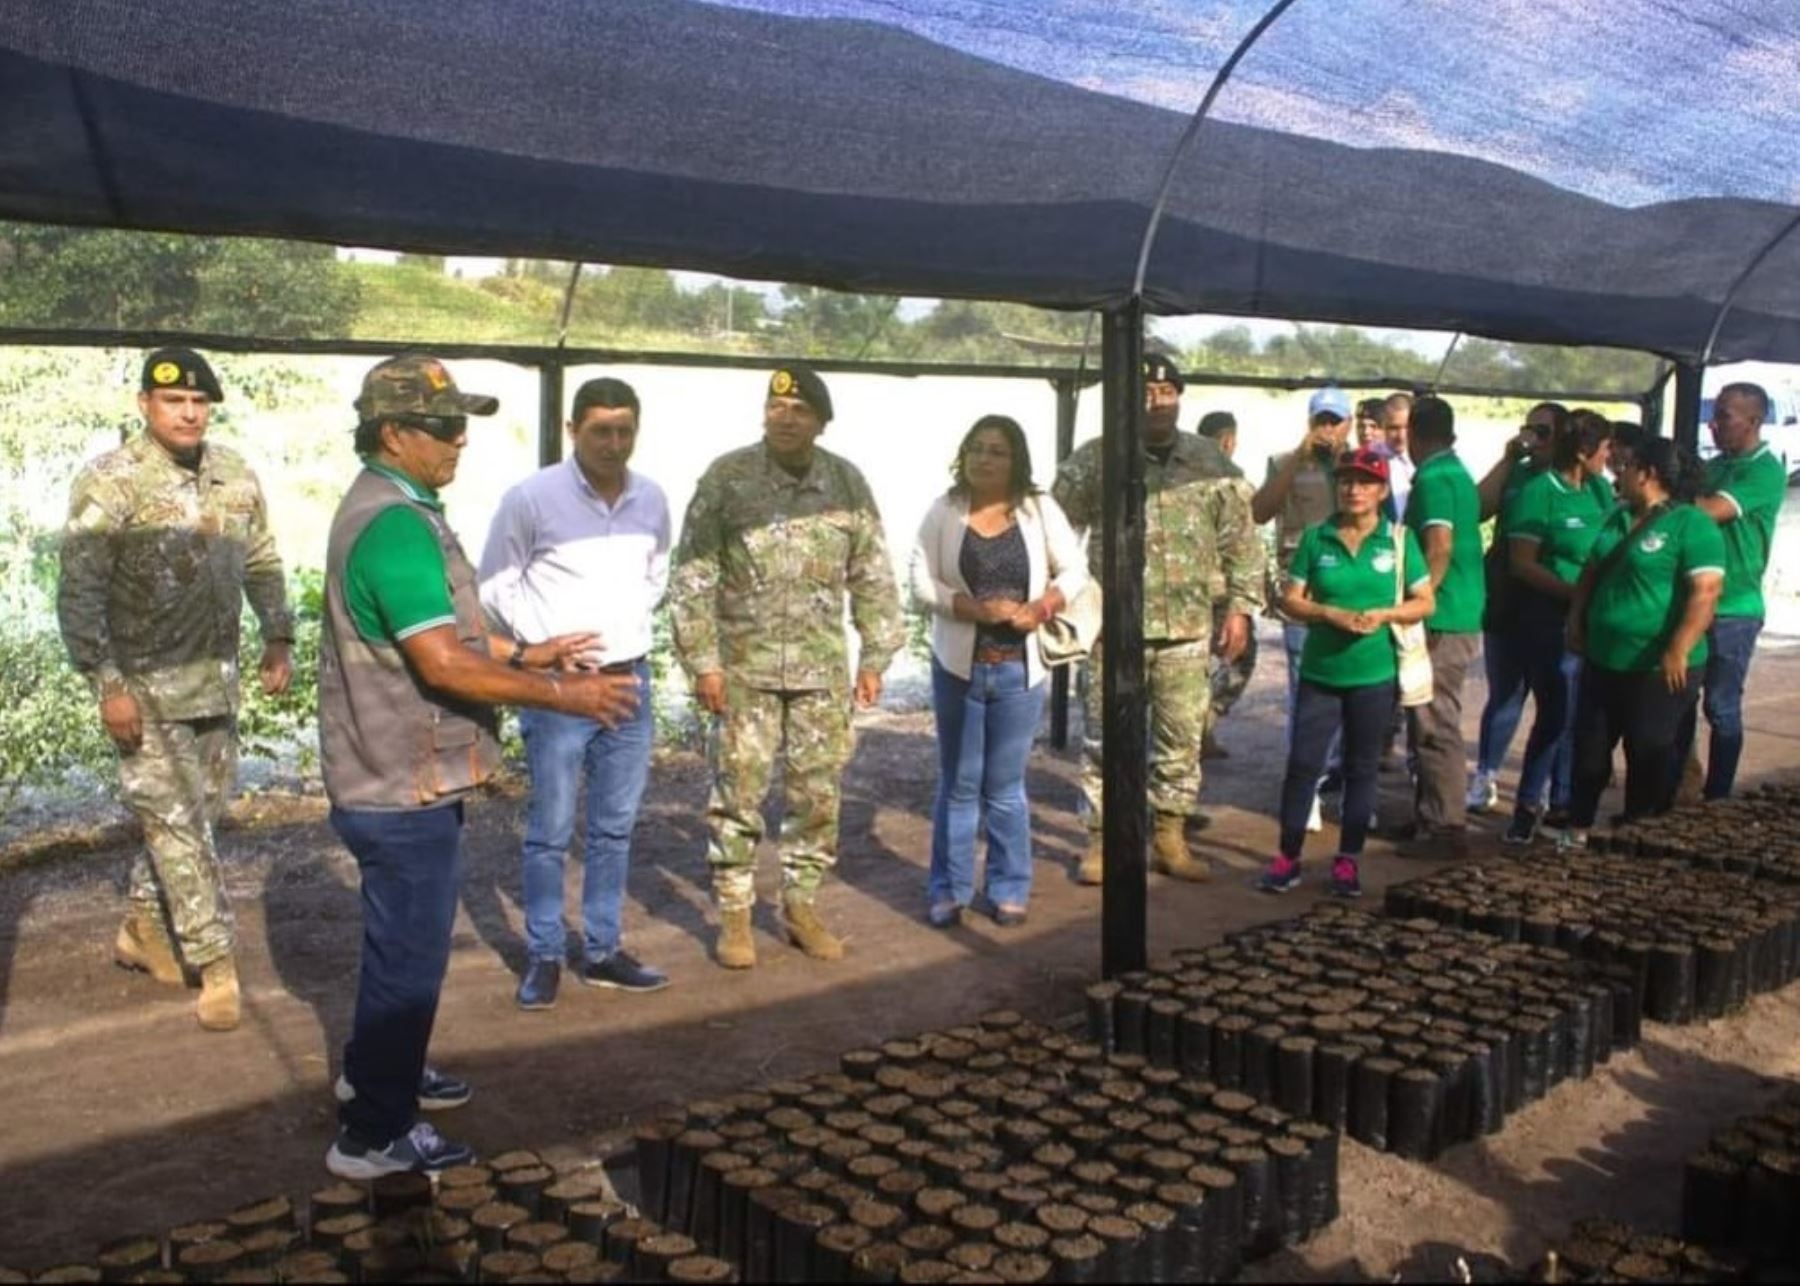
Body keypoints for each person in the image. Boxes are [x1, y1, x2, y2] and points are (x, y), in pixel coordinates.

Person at [318, 354, 639, 1179]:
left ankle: (377, 1074)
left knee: (400, 947)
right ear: (392, 433)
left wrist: (527, 650)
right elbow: (444, 665)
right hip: (397, 783)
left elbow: (456, 633)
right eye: (440, 426)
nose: (458, 439)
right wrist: (561, 693)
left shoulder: (405, 510)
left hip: (400, 776)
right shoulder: (391, 523)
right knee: (410, 957)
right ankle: (375, 1137)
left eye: (461, 423)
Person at [57, 348, 293, 1033]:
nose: (188, 412)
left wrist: (277, 635)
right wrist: (108, 686)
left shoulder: (234, 473)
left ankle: (140, 926)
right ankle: (217, 965)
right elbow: (80, 594)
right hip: (146, 693)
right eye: (173, 401)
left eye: (199, 401)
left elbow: (262, 557)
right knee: (180, 825)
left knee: (194, 820)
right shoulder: (113, 481)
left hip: (215, 684)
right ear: (145, 406)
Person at [669, 364, 904, 969]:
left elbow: (872, 574)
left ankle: (801, 906)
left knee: (817, 795)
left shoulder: (846, 483)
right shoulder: (729, 478)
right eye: (776, 408)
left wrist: (876, 654)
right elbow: (694, 575)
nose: (785, 417)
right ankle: (736, 915)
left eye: (799, 409)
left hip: (820, 678)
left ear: (821, 422)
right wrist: (703, 662)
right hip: (743, 673)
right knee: (737, 793)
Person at [478, 377, 671, 1011]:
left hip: (629, 680)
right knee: (551, 828)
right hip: (560, 687)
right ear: (572, 431)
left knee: (614, 827)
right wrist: (540, 646)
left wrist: (623, 638)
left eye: (625, 430)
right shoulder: (533, 498)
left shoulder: (651, 499)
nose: (614, 443)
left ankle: (604, 950)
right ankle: (543, 954)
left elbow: (654, 577)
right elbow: (494, 587)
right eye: (600, 431)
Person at [1052, 355, 1262, 885]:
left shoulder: (1210, 462)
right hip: (1112, 630)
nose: (1157, 400)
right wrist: (1069, 602)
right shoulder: (1098, 459)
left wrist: (1240, 608)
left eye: (1167, 391)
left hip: (1187, 630)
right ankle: (1102, 840)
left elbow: (1241, 541)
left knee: (1181, 739)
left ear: (1179, 398)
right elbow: (1055, 534)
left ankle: (1169, 835)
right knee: (1104, 739)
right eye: (1146, 391)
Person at [909, 415, 1086, 927]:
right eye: (977, 449)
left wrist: (1042, 608)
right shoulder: (944, 511)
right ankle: (949, 889)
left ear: (1016, 462)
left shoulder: (1038, 508)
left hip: (1017, 671)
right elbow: (921, 580)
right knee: (959, 784)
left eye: (997, 451)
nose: (985, 459)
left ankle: (1009, 888)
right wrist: (971, 608)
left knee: (1006, 787)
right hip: (959, 669)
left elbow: (1074, 570)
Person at [1256, 447, 1434, 897]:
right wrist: (1327, 613)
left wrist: (1386, 614)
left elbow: (1424, 601)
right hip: (1321, 674)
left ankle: (1348, 860)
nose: (1354, 489)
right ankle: (1288, 856)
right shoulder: (1318, 537)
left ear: (1381, 490)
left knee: (1361, 769)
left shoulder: (1398, 540)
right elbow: (1289, 598)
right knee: (1302, 766)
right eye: (1347, 481)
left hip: (1374, 678)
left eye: (1365, 482)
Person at [1562, 437, 1723, 849]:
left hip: (1659, 667)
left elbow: (1704, 592)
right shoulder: (1617, 517)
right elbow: (1591, 572)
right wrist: (1577, 618)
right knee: (1590, 750)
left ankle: (1637, 832)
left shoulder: (1692, 523)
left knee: (1649, 751)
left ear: (1648, 473)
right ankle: (1575, 829)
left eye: (1626, 464)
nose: (1619, 471)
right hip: (1604, 659)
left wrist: (1678, 648)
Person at [1499, 410, 1613, 845]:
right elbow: (1521, 564)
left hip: (1588, 618)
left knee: (1581, 714)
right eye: (1604, 451)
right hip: (1547, 618)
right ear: (1584, 453)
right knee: (1556, 712)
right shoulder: (1537, 492)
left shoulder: (1601, 490)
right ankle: (1528, 804)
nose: (1609, 459)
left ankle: (1564, 803)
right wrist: (1574, 594)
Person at [1673, 382, 1786, 801]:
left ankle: (1717, 799)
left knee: (1720, 708)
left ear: (1753, 421)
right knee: (1679, 700)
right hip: (1695, 602)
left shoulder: (1764, 470)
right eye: (1715, 415)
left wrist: (1661, 502)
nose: (1714, 424)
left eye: (1725, 416)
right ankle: (1676, 787)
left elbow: (1710, 512)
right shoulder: (1715, 465)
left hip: (1734, 608)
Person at [1253, 386, 1355, 831]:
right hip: (1303, 596)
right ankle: (1305, 789)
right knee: (1305, 698)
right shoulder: (1284, 462)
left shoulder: (1361, 466)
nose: (1328, 429)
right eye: (1322, 421)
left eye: (1336, 421)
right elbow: (1259, 511)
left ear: (1348, 424)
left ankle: (1344, 783)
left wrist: (1342, 467)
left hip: (1352, 596)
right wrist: (1300, 455)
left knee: (1356, 697)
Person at [1394, 395, 1484, 859]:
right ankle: (1433, 815)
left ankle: (1447, 826)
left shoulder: (1434, 477)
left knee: (1434, 719)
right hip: (1456, 611)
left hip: (1442, 617)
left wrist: (1417, 602)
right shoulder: (1456, 471)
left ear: (1415, 433)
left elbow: (1440, 546)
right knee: (1426, 716)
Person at [1465, 401, 1564, 814]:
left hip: (1552, 602)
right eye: (1530, 429)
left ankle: (1539, 785)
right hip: (1508, 596)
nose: (1534, 439)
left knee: (1553, 698)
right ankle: (1485, 773)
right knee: (1505, 692)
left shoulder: (1572, 482)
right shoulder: (1519, 473)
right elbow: (1476, 508)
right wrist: (1508, 459)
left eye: (1544, 432)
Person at [1196, 408, 1257, 760]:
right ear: (1228, 440)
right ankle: (1200, 724)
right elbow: (1246, 542)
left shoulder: (1179, 476)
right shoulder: (1235, 482)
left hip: (1189, 591)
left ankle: (1199, 727)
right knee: (1239, 659)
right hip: (1219, 590)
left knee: (1197, 664)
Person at [1382, 392, 1416, 521]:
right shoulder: (1373, 461)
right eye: (1394, 428)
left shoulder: (1425, 462)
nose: (1401, 436)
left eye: (1407, 428)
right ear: (1383, 425)